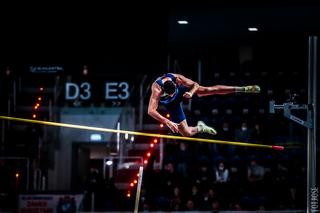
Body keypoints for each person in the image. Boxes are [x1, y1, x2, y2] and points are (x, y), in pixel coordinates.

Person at [148, 73, 260, 137]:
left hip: (183, 92)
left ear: (175, 83)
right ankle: (200, 127)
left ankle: (243, 89)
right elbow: (151, 111)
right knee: (186, 133)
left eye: (173, 92)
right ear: (163, 90)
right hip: (172, 105)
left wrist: (191, 93)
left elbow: (195, 84)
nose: (172, 95)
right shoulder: (156, 89)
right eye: (170, 94)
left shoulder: (176, 78)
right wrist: (168, 122)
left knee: (207, 90)